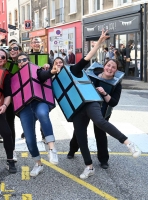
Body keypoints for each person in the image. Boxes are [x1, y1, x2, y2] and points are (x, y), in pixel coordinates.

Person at [45, 30, 141, 179]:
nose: (58, 65)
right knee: (80, 135)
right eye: (56, 64)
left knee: (99, 122)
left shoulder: (74, 70)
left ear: (64, 64)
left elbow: (87, 57)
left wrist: (100, 42)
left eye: (60, 63)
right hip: (77, 110)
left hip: (90, 103)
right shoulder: (54, 80)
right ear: (53, 66)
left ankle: (128, 143)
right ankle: (89, 166)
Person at [67, 59, 123, 170]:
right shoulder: (92, 75)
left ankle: (103, 160)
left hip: (102, 110)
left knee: (101, 134)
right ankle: (72, 150)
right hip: (86, 107)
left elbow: (113, 102)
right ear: (104, 66)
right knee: (79, 131)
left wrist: (104, 93)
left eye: (113, 67)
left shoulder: (117, 84)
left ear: (116, 71)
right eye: (108, 65)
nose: (110, 69)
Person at [15, 52, 58, 177]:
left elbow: (44, 75)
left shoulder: (37, 70)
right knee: (29, 139)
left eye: (24, 59)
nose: (22, 62)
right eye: (19, 61)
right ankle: (38, 164)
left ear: (28, 61)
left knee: (42, 114)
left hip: (40, 102)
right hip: (25, 107)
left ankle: (52, 149)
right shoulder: (16, 77)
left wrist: (52, 71)